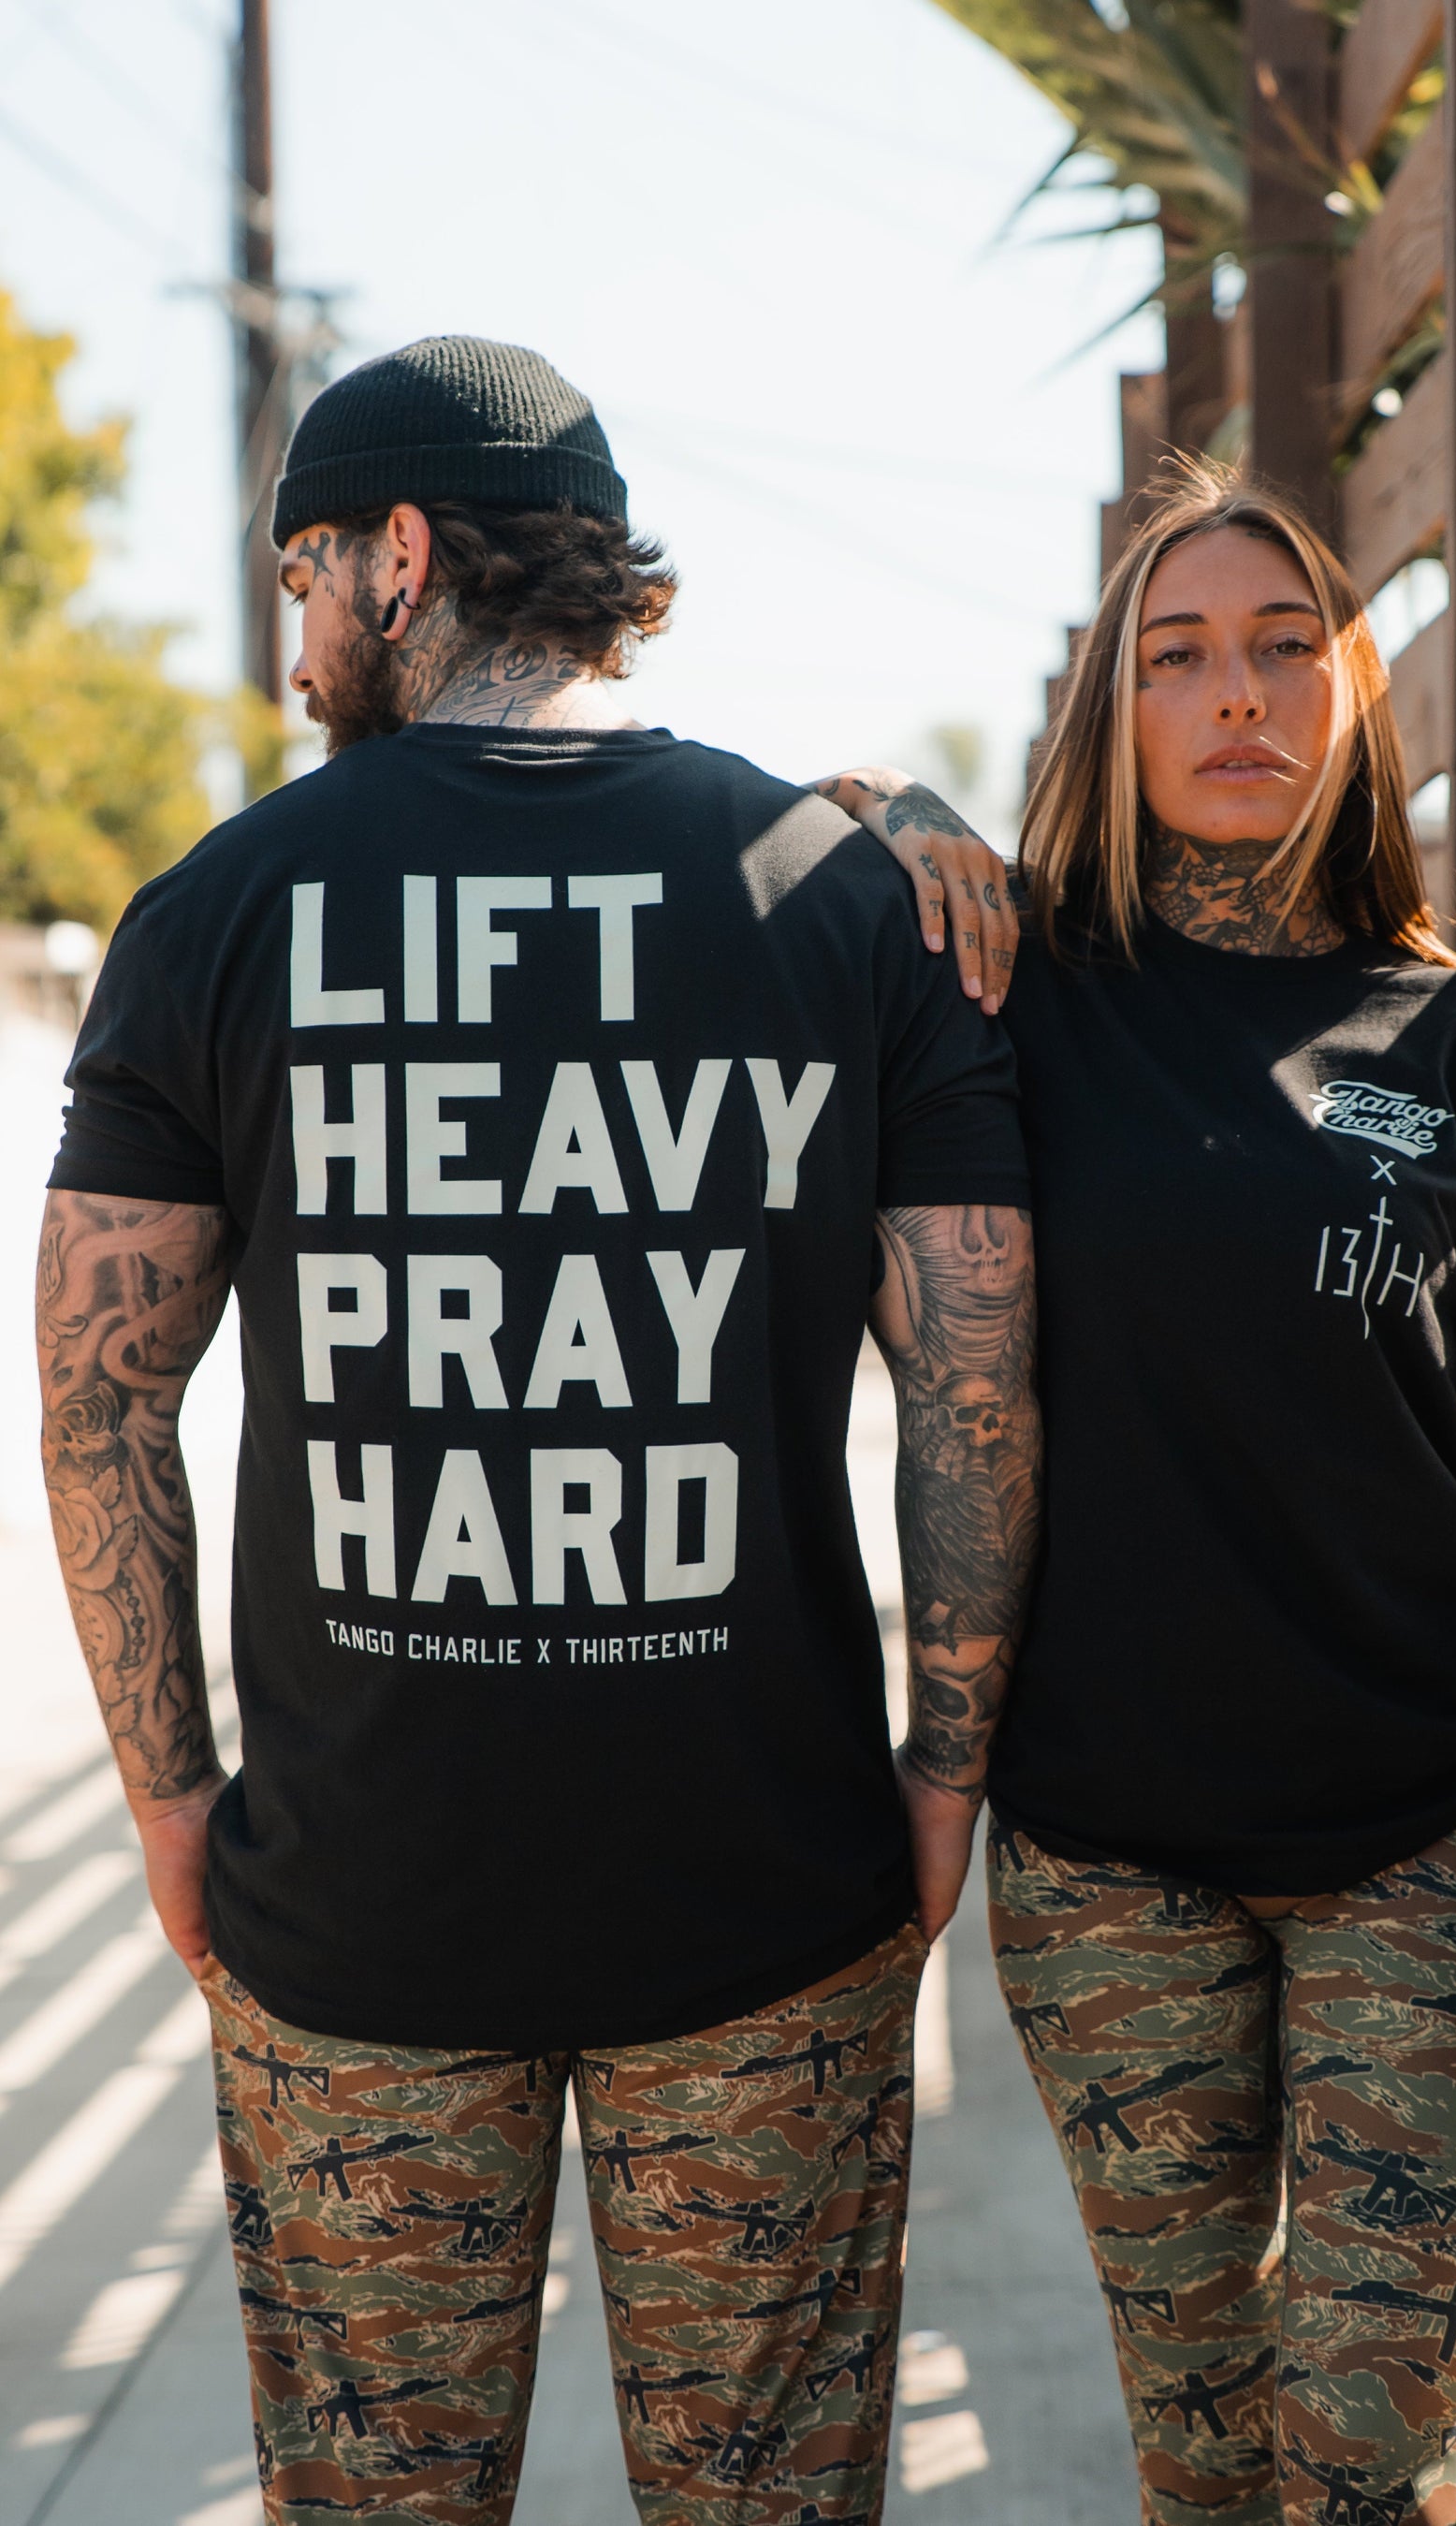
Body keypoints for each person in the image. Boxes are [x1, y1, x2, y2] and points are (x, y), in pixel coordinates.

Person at [36, 335, 1041, 2526]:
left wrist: (171, 1792)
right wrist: (943, 1770)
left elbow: (101, 1392)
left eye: (301, 572)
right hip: (766, 1889)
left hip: (356, 1918)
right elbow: (980, 1376)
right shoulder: (842, 896)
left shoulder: (216, 911)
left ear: (398, 559)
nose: (297, 637)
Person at [814, 465, 1456, 2526]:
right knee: (1197, 2450)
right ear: (1112, 709)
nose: (1236, 694)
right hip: (1110, 1864)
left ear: (1356, 690)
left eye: (1285, 647)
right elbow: (772, 820)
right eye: (1174, 657)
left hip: (1421, 1845)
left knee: (1364, 2467)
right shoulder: (1015, 1009)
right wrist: (888, 801)